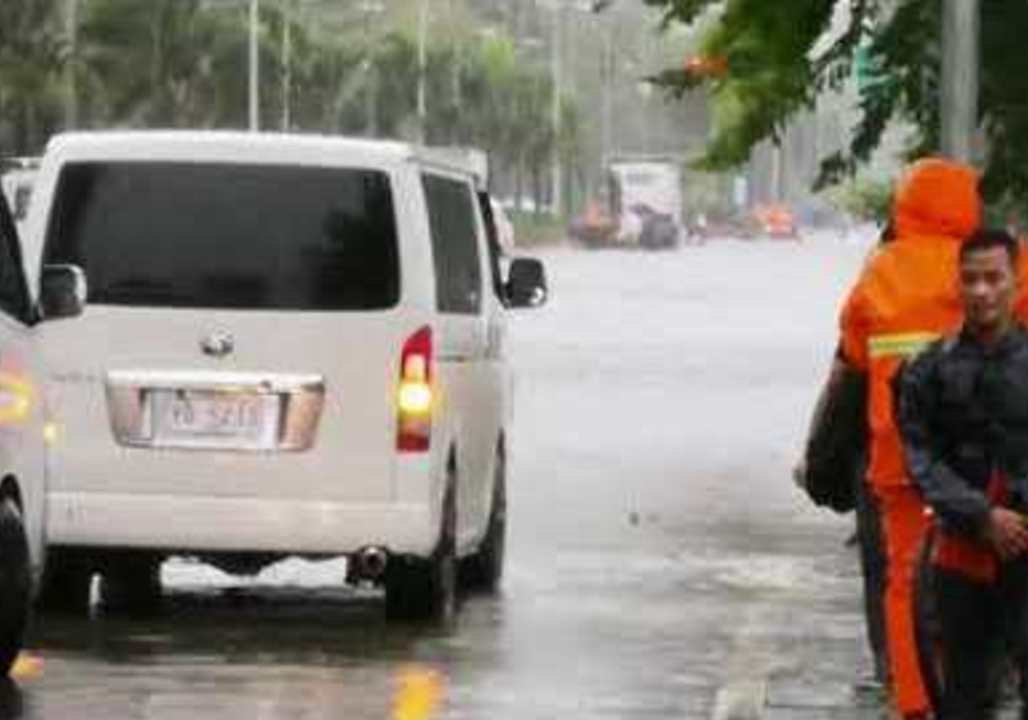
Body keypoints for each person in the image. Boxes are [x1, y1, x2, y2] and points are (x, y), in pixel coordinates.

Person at [834, 158, 982, 719]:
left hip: (901, 460)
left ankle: (914, 701)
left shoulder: (881, 271)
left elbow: (852, 349)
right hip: (977, 463)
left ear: (906, 208)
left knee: (904, 579)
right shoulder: (995, 265)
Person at [897, 228, 1028, 719]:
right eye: (970, 279)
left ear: (1015, 280)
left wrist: (1015, 515)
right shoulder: (927, 370)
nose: (981, 291)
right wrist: (981, 515)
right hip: (961, 555)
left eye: (993, 278)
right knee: (964, 696)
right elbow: (919, 459)